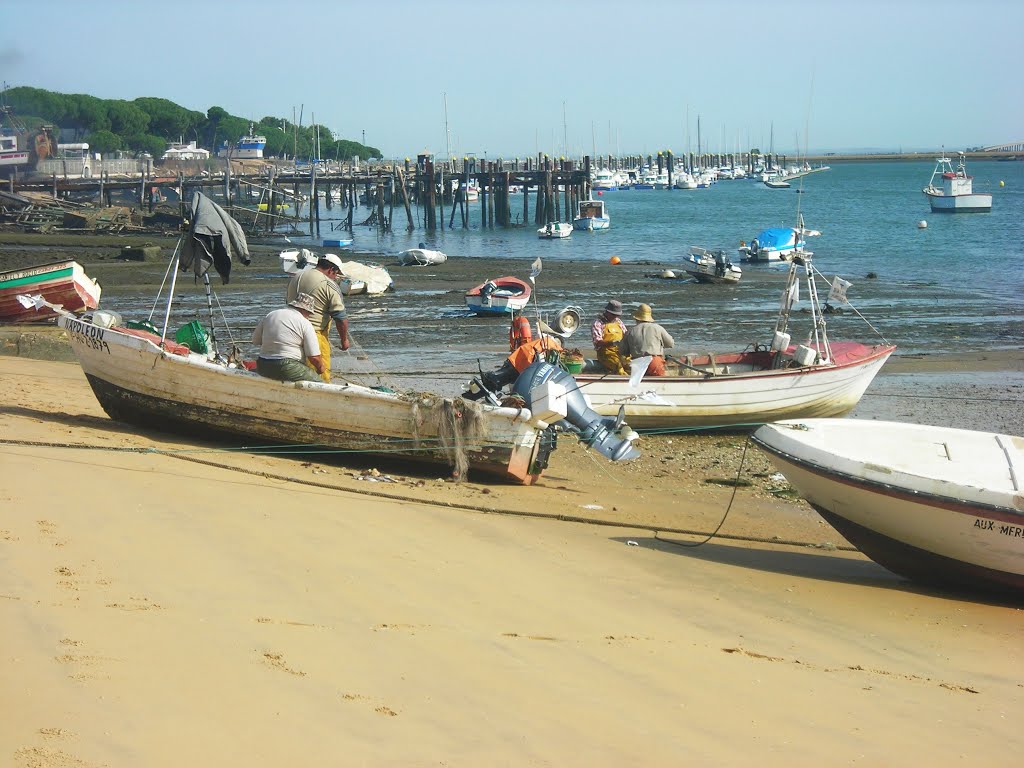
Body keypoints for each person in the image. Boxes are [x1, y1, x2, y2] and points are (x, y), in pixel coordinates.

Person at [286, 253, 349, 383]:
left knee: (296, 374)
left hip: (290, 332)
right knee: (321, 376)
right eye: (336, 274)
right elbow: (340, 317)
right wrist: (344, 341)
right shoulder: (328, 284)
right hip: (315, 335)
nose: (335, 277)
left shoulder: (297, 276)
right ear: (331, 270)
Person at [251, 293, 325, 383]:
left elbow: (255, 340)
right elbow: (314, 357)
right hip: (287, 366)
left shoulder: (271, 315)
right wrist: (321, 368)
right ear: (303, 309)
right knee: (319, 383)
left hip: (263, 365)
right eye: (309, 313)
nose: (309, 316)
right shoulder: (304, 322)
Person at [620, 303, 674, 377]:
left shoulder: (630, 331)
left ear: (637, 318)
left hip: (638, 363)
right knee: (657, 385)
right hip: (654, 362)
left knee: (638, 385)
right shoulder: (658, 328)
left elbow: (623, 352)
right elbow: (670, 344)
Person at [591, 299, 628, 374]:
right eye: (613, 315)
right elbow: (598, 342)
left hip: (621, 351)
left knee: (632, 365)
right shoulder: (598, 323)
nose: (615, 317)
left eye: (617, 315)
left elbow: (626, 335)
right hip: (606, 353)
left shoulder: (619, 322)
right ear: (607, 312)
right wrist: (612, 343)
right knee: (619, 367)